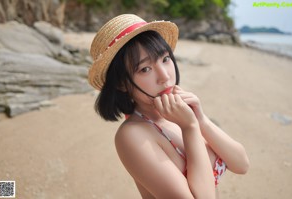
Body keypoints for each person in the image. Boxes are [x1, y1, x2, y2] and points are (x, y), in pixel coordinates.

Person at [88, 14, 249, 198]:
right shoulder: (132, 136)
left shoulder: (180, 114)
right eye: (145, 69)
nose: (164, 76)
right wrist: (189, 128)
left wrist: (201, 120)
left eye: (165, 59)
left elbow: (241, 164)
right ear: (121, 83)